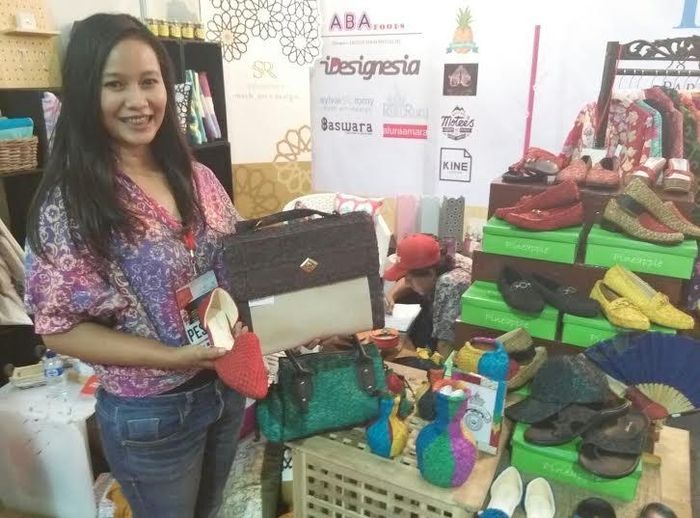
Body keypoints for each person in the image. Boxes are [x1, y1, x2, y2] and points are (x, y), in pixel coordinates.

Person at [24, 14, 245, 518]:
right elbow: (59, 329)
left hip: (223, 385)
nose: (139, 101)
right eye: (115, 85)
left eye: (149, 82)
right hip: (151, 412)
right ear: (86, 92)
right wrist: (173, 357)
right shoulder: (70, 202)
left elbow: (237, 259)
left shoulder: (196, 175)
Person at [383, 233, 472, 358]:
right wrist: (391, 295)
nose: (406, 282)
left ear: (430, 273)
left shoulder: (449, 284)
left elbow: (445, 345)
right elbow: (410, 279)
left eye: (409, 278)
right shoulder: (442, 259)